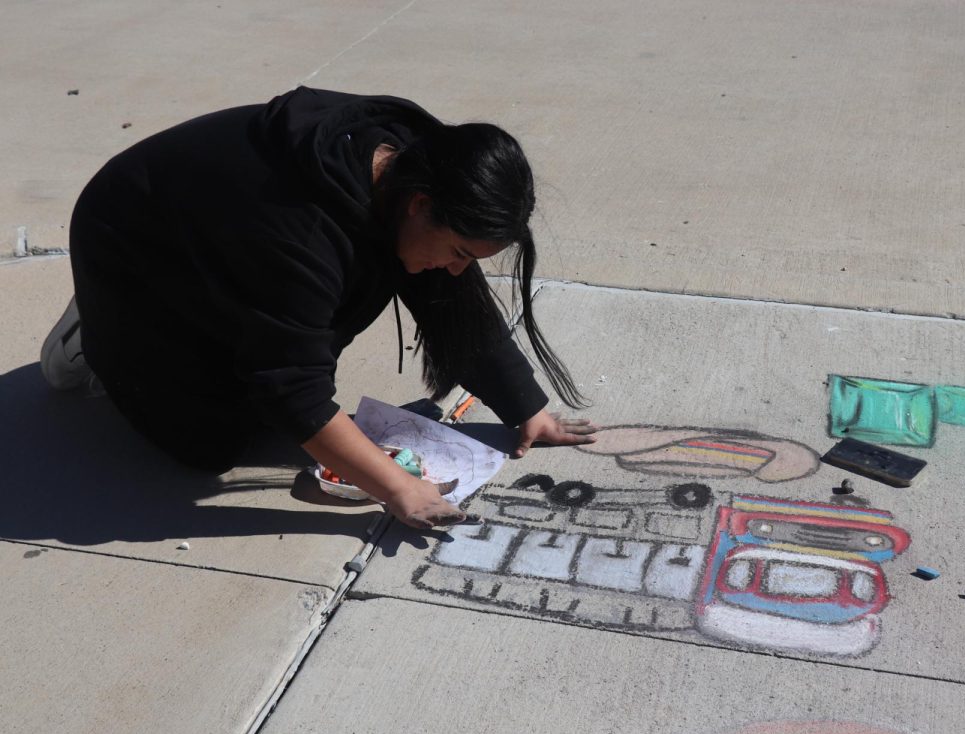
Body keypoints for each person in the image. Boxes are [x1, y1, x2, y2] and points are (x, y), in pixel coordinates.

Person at [39, 86, 598, 528]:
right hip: (136, 247)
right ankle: (97, 333)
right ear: (419, 205)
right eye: (458, 252)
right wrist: (400, 489)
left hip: (221, 237)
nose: (459, 269)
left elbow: (454, 303)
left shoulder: (417, 171)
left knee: (302, 338)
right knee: (206, 443)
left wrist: (525, 409)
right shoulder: (302, 234)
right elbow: (292, 388)